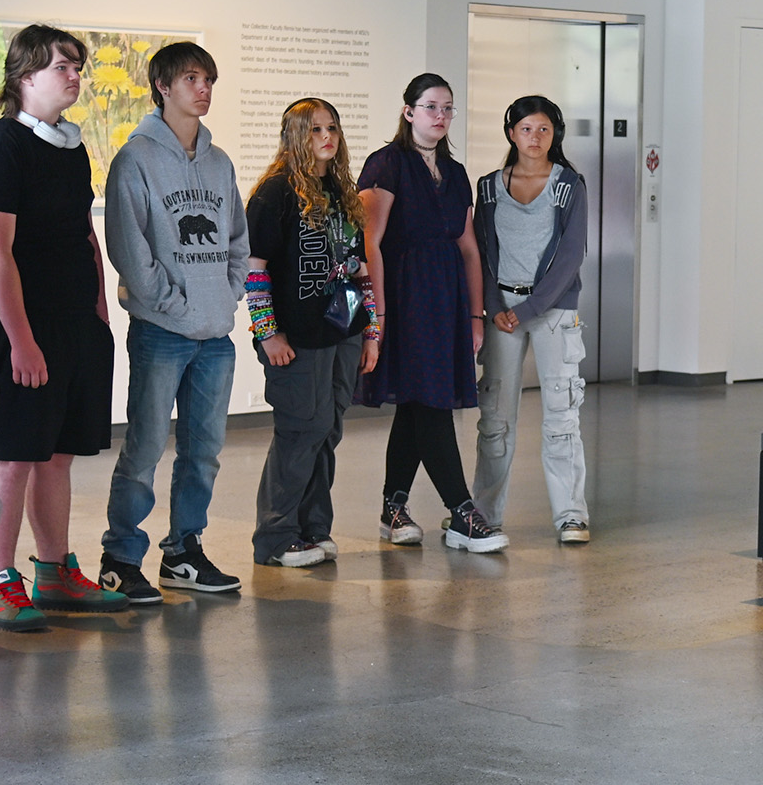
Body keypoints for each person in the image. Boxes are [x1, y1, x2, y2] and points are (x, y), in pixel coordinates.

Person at [0, 24, 125, 629]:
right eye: (62, 66)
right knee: (13, 455)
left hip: (74, 320)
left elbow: (83, 229)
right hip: (23, 325)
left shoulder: (71, 144)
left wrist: (99, 307)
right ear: (24, 76)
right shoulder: (0, 146)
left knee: (58, 453)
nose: (74, 76)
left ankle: (55, 570)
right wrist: (21, 339)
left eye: (77, 67)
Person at [98, 42, 247, 602]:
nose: (203, 88)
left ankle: (184, 551)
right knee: (143, 448)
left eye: (209, 78)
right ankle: (120, 558)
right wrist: (176, 305)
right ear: (163, 85)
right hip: (161, 333)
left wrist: (227, 296)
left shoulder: (219, 161)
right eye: (191, 78)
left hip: (215, 336)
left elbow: (236, 238)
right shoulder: (135, 159)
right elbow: (129, 251)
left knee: (203, 451)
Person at [357, 74, 505, 553]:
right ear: (408, 112)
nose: (440, 116)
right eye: (430, 107)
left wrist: (475, 315)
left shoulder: (456, 172)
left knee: (419, 401)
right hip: (402, 296)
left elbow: (468, 247)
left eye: (447, 108)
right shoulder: (387, 164)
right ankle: (461, 511)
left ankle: (393, 507)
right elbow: (369, 244)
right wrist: (375, 317)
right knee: (431, 403)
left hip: (445, 299)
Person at [244, 99, 378, 568]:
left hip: (342, 328)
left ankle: (313, 528)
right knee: (301, 430)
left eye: (332, 128)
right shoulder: (275, 192)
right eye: (315, 129)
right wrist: (267, 334)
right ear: (295, 136)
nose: (327, 137)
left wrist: (371, 332)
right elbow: (254, 270)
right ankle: (276, 538)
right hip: (295, 337)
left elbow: (359, 269)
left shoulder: (342, 191)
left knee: (328, 430)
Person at [471, 96, 592, 544]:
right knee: (495, 418)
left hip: (553, 312)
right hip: (501, 311)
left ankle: (571, 516)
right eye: (526, 129)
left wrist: (526, 310)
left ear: (554, 134)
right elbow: (481, 253)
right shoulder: (487, 187)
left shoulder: (568, 185)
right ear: (511, 134)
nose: (535, 138)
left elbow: (571, 255)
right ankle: (484, 513)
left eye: (544, 130)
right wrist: (492, 307)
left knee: (562, 414)